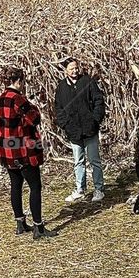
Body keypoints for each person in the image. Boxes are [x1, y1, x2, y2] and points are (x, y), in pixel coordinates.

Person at [0, 67, 56, 241]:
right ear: (19, 81)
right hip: (23, 149)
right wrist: (33, 105)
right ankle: (38, 227)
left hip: (7, 148)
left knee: (16, 185)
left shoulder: (0, 99)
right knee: (35, 186)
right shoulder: (18, 99)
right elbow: (34, 118)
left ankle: (20, 223)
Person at [53, 57, 106, 202]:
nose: (75, 70)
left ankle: (99, 189)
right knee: (78, 161)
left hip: (90, 128)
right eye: (71, 68)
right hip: (74, 131)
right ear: (65, 71)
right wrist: (64, 124)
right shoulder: (61, 87)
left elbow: (98, 101)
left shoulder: (88, 82)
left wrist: (95, 119)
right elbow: (58, 108)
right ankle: (80, 189)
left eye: (76, 67)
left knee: (94, 160)